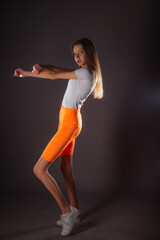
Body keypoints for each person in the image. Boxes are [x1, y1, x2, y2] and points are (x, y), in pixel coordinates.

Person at [13, 38, 103, 236]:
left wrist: (27, 73)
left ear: (89, 52)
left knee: (39, 169)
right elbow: (54, 68)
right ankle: (76, 210)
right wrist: (42, 66)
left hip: (69, 125)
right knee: (65, 168)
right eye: (74, 54)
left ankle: (67, 213)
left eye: (80, 52)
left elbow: (53, 76)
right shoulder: (84, 72)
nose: (77, 57)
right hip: (69, 123)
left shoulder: (86, 73)